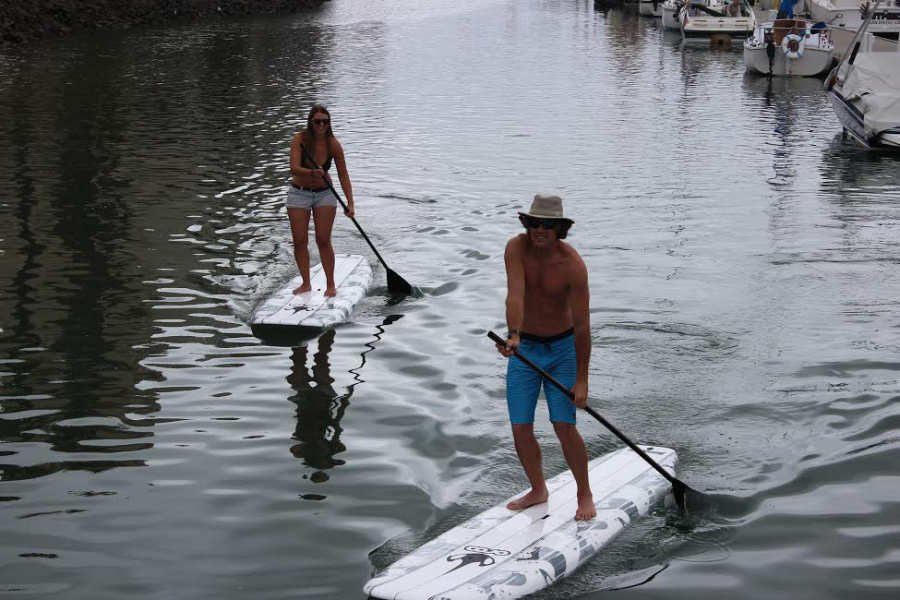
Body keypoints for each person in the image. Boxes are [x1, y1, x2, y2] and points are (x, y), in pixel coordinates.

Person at [495, 194, 595, 521]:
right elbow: (516, 294)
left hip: (563, 351)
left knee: (563, 425)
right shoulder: (515, 248)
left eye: (547, 225)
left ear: (559, 229)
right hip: (525, 351)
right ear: (527, 224)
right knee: (520, 427)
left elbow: (582, 327)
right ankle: (538, 490)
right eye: (534, 223)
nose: (539, 230)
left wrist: (582, 380)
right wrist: (513, 335)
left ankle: (584, 494)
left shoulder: (573, 266)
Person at [287, 104, 355, 297]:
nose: (321, 126)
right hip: (299, 193)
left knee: (323, 240)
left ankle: (331, 285)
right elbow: (293, 167)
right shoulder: (299, 140)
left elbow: (343, 175)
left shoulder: (333, 144)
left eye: (325, 122)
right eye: (317, 121)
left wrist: (350, 203)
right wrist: (312, 172)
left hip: (325, 193)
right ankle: (306, 284)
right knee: (300, 241)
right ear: (310, 122)